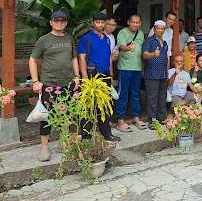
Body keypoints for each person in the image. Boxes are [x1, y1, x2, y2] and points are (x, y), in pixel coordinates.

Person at [29, 9, 81, 162]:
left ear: (66, 23)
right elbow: (32, 60)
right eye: (56, 20)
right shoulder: (43, 40)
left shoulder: (69, 38)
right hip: (49, 84)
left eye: (62, 21)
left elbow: (74, 59)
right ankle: (45, 148)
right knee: (46, 116)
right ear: (51, 22)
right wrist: (35, 81)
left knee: (67, 114)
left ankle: (64, 141)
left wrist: (77, 76)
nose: (59, 23)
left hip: (68, 83)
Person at [77, 12, 119, 142]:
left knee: (104, 105)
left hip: (105, 75)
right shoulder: (86, 38)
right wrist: (84, 78)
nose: (100, 25)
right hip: (91, 76)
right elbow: (82, 58)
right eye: (98, 22)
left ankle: (106, 133)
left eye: (102, 22)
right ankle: (86, 135)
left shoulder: (106, 38)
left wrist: (110, 75)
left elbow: (108, 58)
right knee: (89, 105)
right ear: (93, 23)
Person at [115, 14, 146, 132]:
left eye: (137, 22)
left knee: (136, 94)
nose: (135, 24)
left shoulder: (141, 33)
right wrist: (128, 48)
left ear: (140, 23)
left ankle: (136, 117)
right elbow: (121, 46)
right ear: (128, 22)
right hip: (124, 68)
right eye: (133, 22)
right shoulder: (122, 32)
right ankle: (120, 120)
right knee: (123, 94)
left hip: (137, 68)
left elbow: (142, 49)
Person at [142, 20, 169, 129]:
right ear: (154, 29)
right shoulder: (149, 41)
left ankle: (161, 118)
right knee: (152, 98)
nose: (160, 30)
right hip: (152, 74)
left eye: (162, 28)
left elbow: (166, 58)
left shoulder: (165, 43)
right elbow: (144, 55)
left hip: (163, 75)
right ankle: (152, 120)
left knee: (162, 97)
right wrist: (153, 54)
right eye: (158, 28)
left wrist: (166, 72)